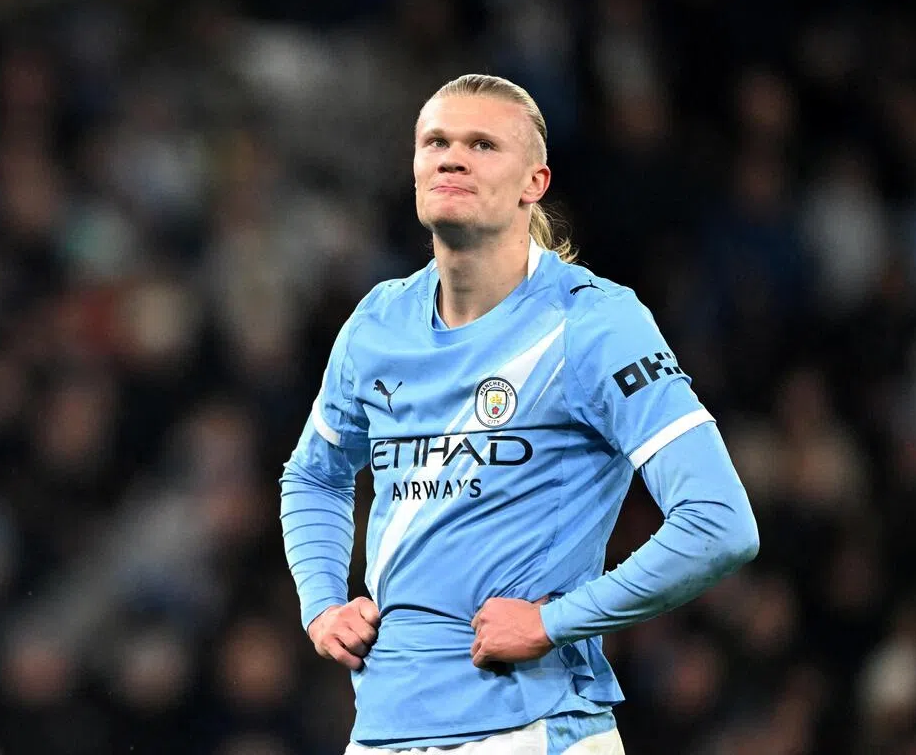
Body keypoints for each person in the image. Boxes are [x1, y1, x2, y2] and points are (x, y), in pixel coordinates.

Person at [280, 74, 759, 754]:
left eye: (482, 144)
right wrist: (322, 603)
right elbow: (314, 477)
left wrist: (557, 621)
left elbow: (719, 523)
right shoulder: (377, 323)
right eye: (436, 141)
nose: (451, 157)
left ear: (534, 182)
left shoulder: (592, 322)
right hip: (384, 731)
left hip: (533, 728)